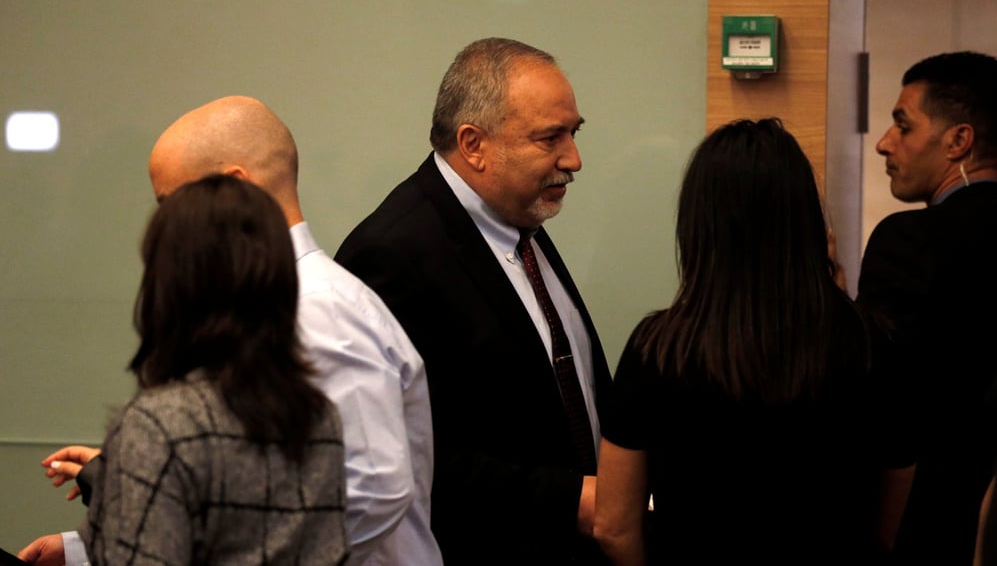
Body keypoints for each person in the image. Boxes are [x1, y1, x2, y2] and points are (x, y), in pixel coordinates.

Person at [20, 96, 441, 566]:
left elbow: (371, 489)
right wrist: (151, 473)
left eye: (173, 204)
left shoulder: (313, 310)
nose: (163, 227)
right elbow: (266, 483)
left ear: (236, 190)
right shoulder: (283, 305)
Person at [335, 37, 613, 564]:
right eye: (550, 138)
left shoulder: (516, 218)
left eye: (573, 133)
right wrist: (573, 500)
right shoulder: (391, 254)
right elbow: (404, 456)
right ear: (473, 144)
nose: (573, 159)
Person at [592, 118, 885, 565]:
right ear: (806, 217)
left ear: (699, 223)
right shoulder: (868, 341)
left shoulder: (656, 351)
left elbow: (613, 525)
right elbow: (891, 507)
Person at [37, 175, 351, 564]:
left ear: (169, 285)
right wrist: (121, 477)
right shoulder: (320, 416)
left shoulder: (158, 426)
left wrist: (130, 472)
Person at [856, 51, 997, 565]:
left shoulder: (908, 241)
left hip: (915, 527)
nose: (884, 142)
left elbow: (878, 402)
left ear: (958, 141)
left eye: (903, 125)